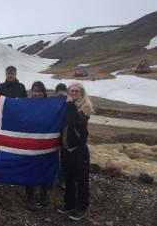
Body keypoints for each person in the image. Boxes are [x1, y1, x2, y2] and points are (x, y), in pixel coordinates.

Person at [58, 82, 93, 221]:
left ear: (81, 93)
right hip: (66, 149)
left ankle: (82, 206)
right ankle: (70, 203)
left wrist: (70, 104)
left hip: (79, 150)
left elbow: (75, 121)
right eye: (71, 91)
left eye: (76, 91)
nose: (73, 93)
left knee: (82, 179)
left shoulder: (85, 107)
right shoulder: (68, 104)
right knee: (69, 178)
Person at [24, 81, 48, 211]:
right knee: (31, 170)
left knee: (45, 169)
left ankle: (44, 195)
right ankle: (30, 197)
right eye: (34, 91)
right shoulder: (27, 104)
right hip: (31, 143)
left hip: (46, 143)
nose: (37, 93)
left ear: (43, 92)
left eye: (39, 91)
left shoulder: (51, 105)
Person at [55, 82, 67, 190]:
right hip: (53, 134)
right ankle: (53, 178)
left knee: (64, 158)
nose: (60, 92)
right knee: (53, 158)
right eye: (58, 91)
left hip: (65, 135)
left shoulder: (69, 102)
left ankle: (62, 179)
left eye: (62, 90)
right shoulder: (52, 103)